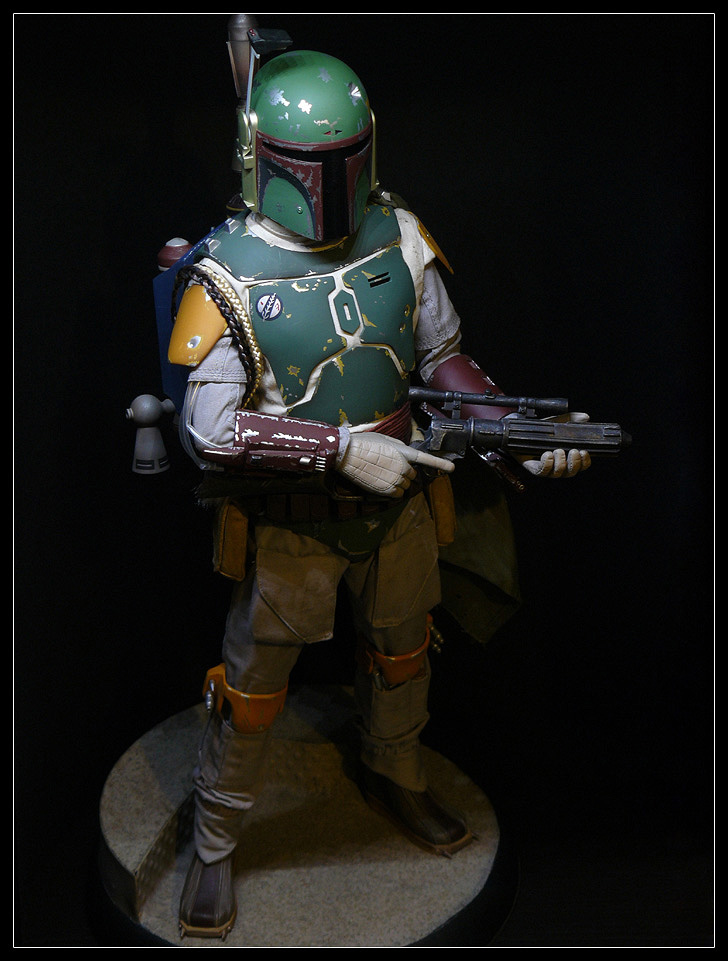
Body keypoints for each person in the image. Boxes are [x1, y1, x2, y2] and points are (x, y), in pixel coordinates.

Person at [167, 43, 591, 939]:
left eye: (342, 159)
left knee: (403, 656)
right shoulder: (227, 272)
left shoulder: (398, 235)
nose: (327, 184)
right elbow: (210, 429)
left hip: (399, 506)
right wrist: (338, 452)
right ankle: (215, 839)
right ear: (260, 156)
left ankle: (396, 772)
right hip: (294, 521)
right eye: (306, 163)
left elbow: (442, 360)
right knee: (252, 691)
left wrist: (520, 438)